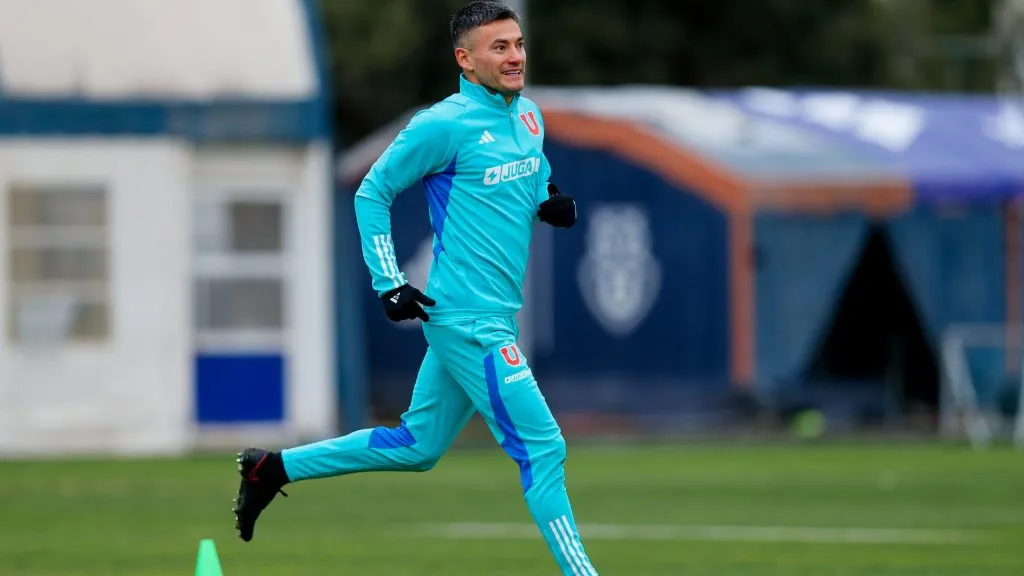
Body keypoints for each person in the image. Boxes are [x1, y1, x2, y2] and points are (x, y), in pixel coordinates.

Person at [231, 2, 598, 574]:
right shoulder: (442, 125)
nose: (515, 56)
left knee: (417, 447)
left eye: (518, 44)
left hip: (494, 316)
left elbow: (530, 171)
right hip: (465, 319)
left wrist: (547, 198)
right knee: (545, 447)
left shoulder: (528, 117)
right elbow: (370, 193)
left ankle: (272, 469)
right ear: (465, 59)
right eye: (498, 47)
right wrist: (390, 282)